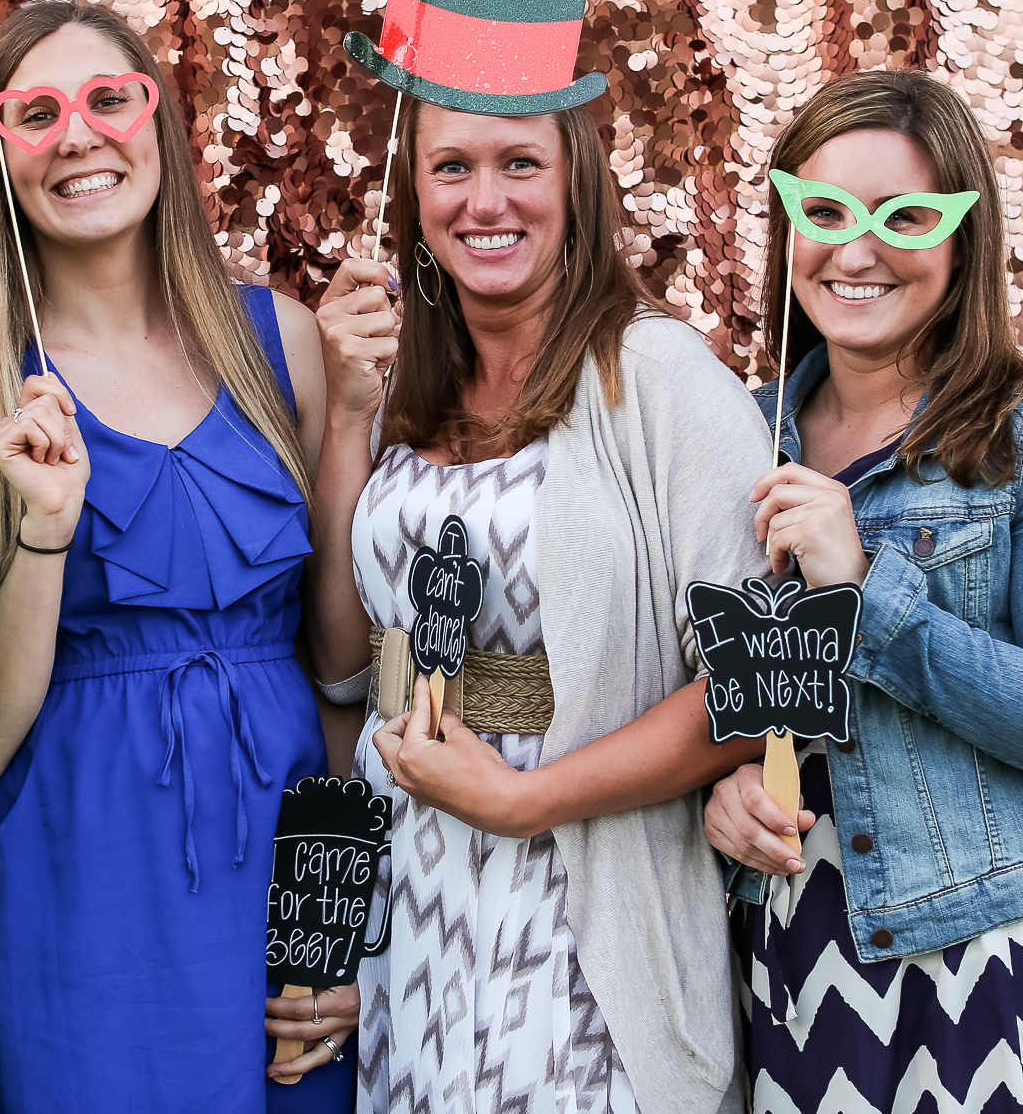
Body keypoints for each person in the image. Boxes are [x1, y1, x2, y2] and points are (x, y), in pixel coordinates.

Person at [0, 0, 352, 1113]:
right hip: (80, 867)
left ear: (157, 119)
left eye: (110, 99)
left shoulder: (281, 341)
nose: (79, 135)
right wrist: (44, 532)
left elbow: (344, 671)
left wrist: (345, 920)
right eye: (36, 113)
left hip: (282, 851)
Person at [310, 86, 774, 1111]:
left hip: (579, 914)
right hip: (417, 910)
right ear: (414, 196)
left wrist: (524, 802)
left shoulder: (656, 377)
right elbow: (348, 665)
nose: (485, 201)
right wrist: (344, 419)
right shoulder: (404, 388)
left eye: (519, 163)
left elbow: (752, 686)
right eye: (450, 167)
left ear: (576, 182)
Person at [703, 70, 1023, 1113]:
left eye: (902, 215)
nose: (856, 252)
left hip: (998, 953)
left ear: (961, 236)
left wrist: (863, 589)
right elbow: (719, 696)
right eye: (824, 213)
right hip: (795, 950)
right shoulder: (731, 435)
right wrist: (715, 797)